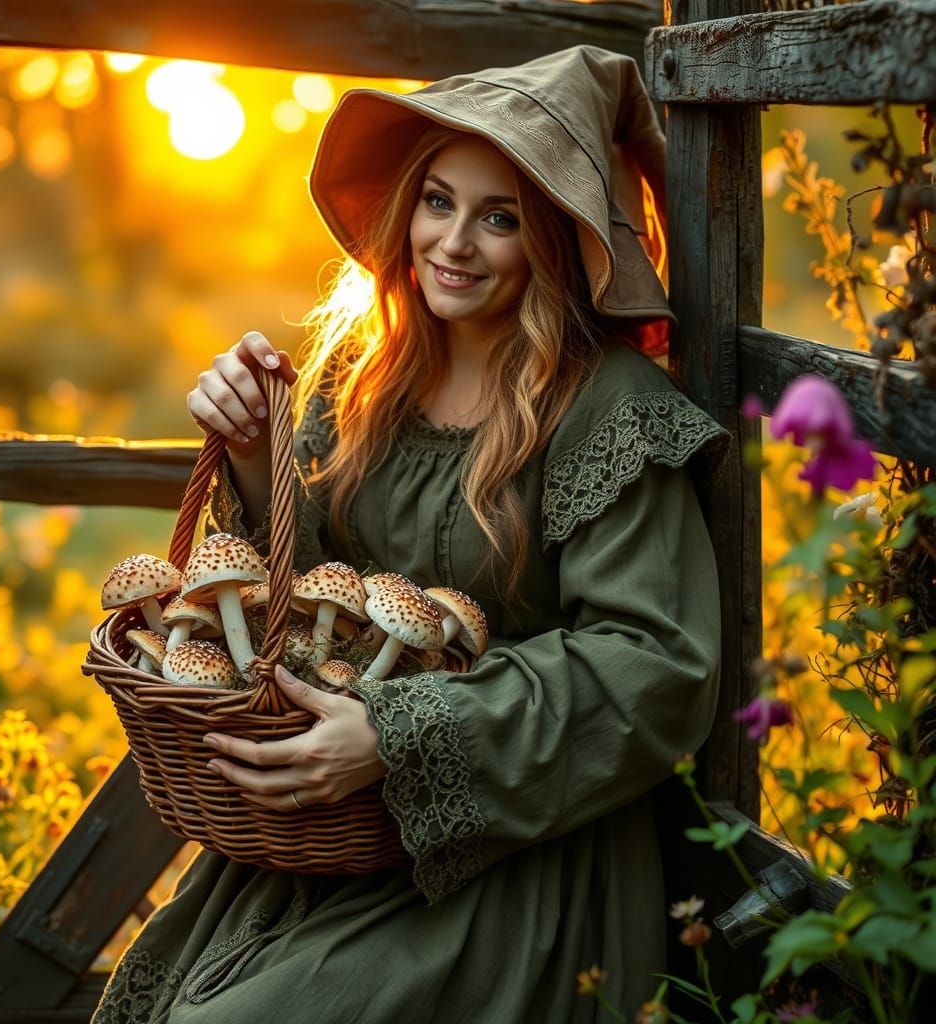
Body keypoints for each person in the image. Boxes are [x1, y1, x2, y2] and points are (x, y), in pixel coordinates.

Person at [93, 45, 728, 1024]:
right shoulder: (362, 374)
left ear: (555, 238)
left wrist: (397, 736)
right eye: (438, 200)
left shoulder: (610, 409)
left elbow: (654, 663)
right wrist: (258, 456)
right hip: (335, 826)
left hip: (518, 848)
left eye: (500, 216)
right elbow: (315, 595)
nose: (455, 242)